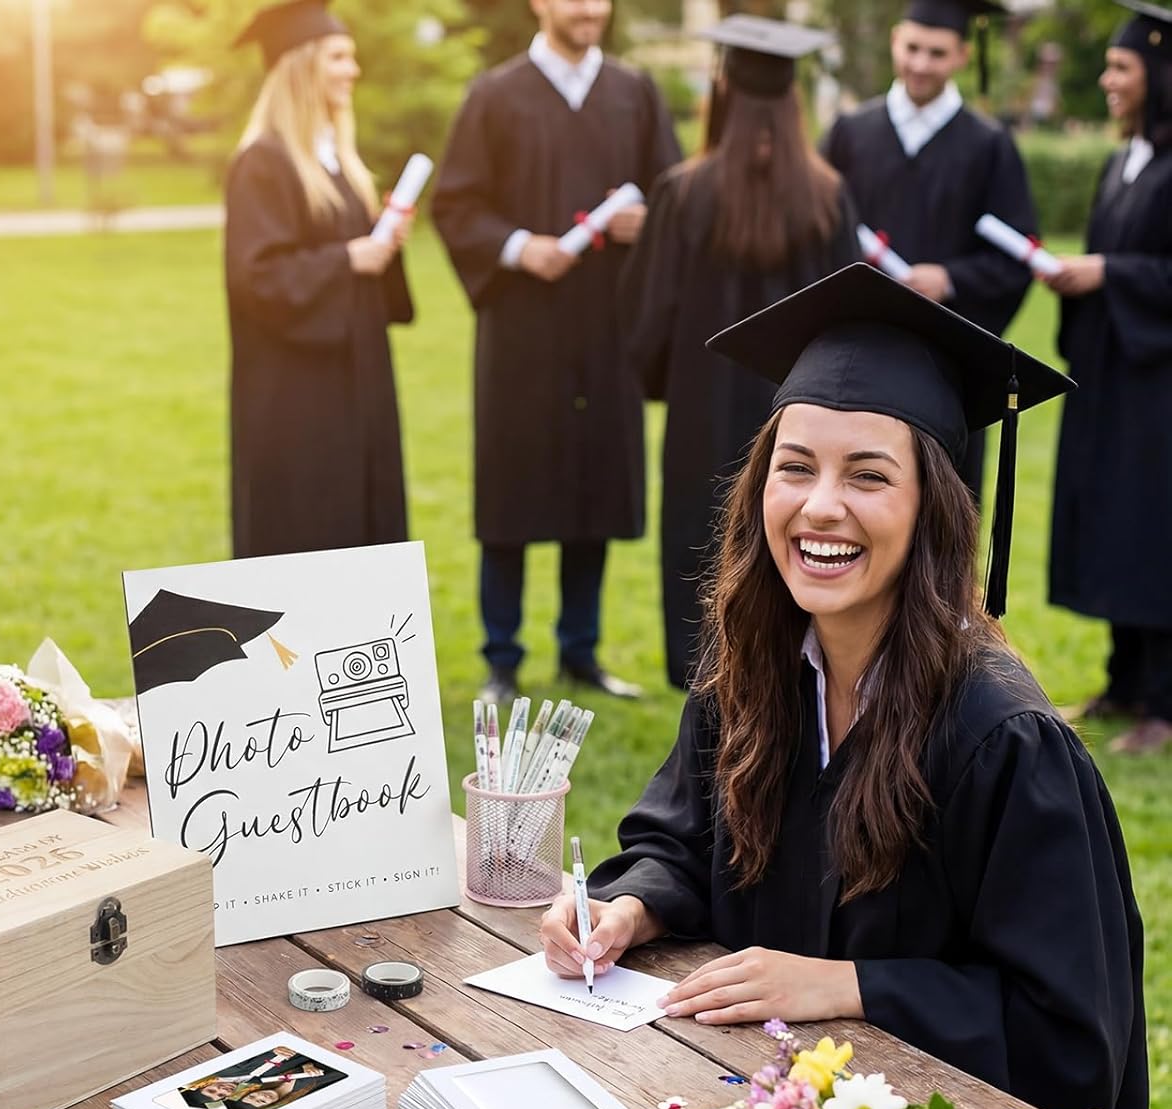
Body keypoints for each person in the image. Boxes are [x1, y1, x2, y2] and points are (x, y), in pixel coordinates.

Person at [541, 264, 1147, 1109]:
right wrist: (633, 903)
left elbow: (1068, 1046)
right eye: (794, 466)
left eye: (868, 473)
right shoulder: (760, 670)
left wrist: (852, 984)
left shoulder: (1002, 742)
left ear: (935, 506)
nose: (821, 506)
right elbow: (680, 835)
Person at [432, 0, 680, 704]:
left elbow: (677, 194)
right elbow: (455, 204)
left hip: (608, 327)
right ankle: (501, 659)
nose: (589, 8)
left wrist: (649, 220)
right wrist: (516, 247)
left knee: (592, 484)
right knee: (513, 490)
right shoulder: (494, 95)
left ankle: (581, 651)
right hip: (522, 329)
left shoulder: (635, 94)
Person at [620, 14, 858, 689]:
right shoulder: (827, 197)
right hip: (801, 416)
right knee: (796, 533)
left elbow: (648, 319)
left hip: (702, 415)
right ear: (794, 106)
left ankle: (705, 680)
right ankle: (799, 670)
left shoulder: (684, 193)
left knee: (705, 536)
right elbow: (849, 314)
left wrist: (676, 382)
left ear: (722, 97)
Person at [821, 0, 1037, 497]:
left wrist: (951, 278)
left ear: (962, 54)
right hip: (858, 354)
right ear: (895, 40)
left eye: (936, 53)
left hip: (945, 365)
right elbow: (816, 237)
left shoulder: (989, 146)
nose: (920, 63)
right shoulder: (850, 134)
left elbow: (1014, 260)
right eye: (912, 48)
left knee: (942, 509)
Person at [224, 0, 412, 559]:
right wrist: (348, 259)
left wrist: (384, 240)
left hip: (357, 386)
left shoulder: (338, 163)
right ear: (301, 66)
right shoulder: (263, 164)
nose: (352, 70)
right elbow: (257, 277)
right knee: (307, 534)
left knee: (361, 532)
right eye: (338, 57)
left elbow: (359, 267)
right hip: (296, 400)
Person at [1046, 0, 1172, 755]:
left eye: (1121, 67)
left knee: (1157, 534)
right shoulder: (1125, 160)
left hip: (1162, 386)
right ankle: (1124, 682)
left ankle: (1165, 701)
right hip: (1117, 374)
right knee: (1119, 527)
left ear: (1159, 76)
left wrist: (1108, 272)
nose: (1108, 80)